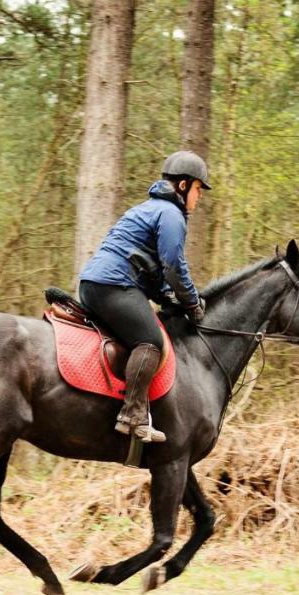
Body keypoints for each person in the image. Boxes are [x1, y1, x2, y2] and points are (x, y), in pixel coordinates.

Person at [77, 150, 210, 444]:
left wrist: (166, 298)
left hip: (95, 283)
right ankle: (132, 416)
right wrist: (191, 302)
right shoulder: (172, 214)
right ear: (184, 185)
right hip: (113, 284)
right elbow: (173, 265)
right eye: (199, 189)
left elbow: (148, 269)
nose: (199, 198)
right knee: (150, 341)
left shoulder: (148, 209)